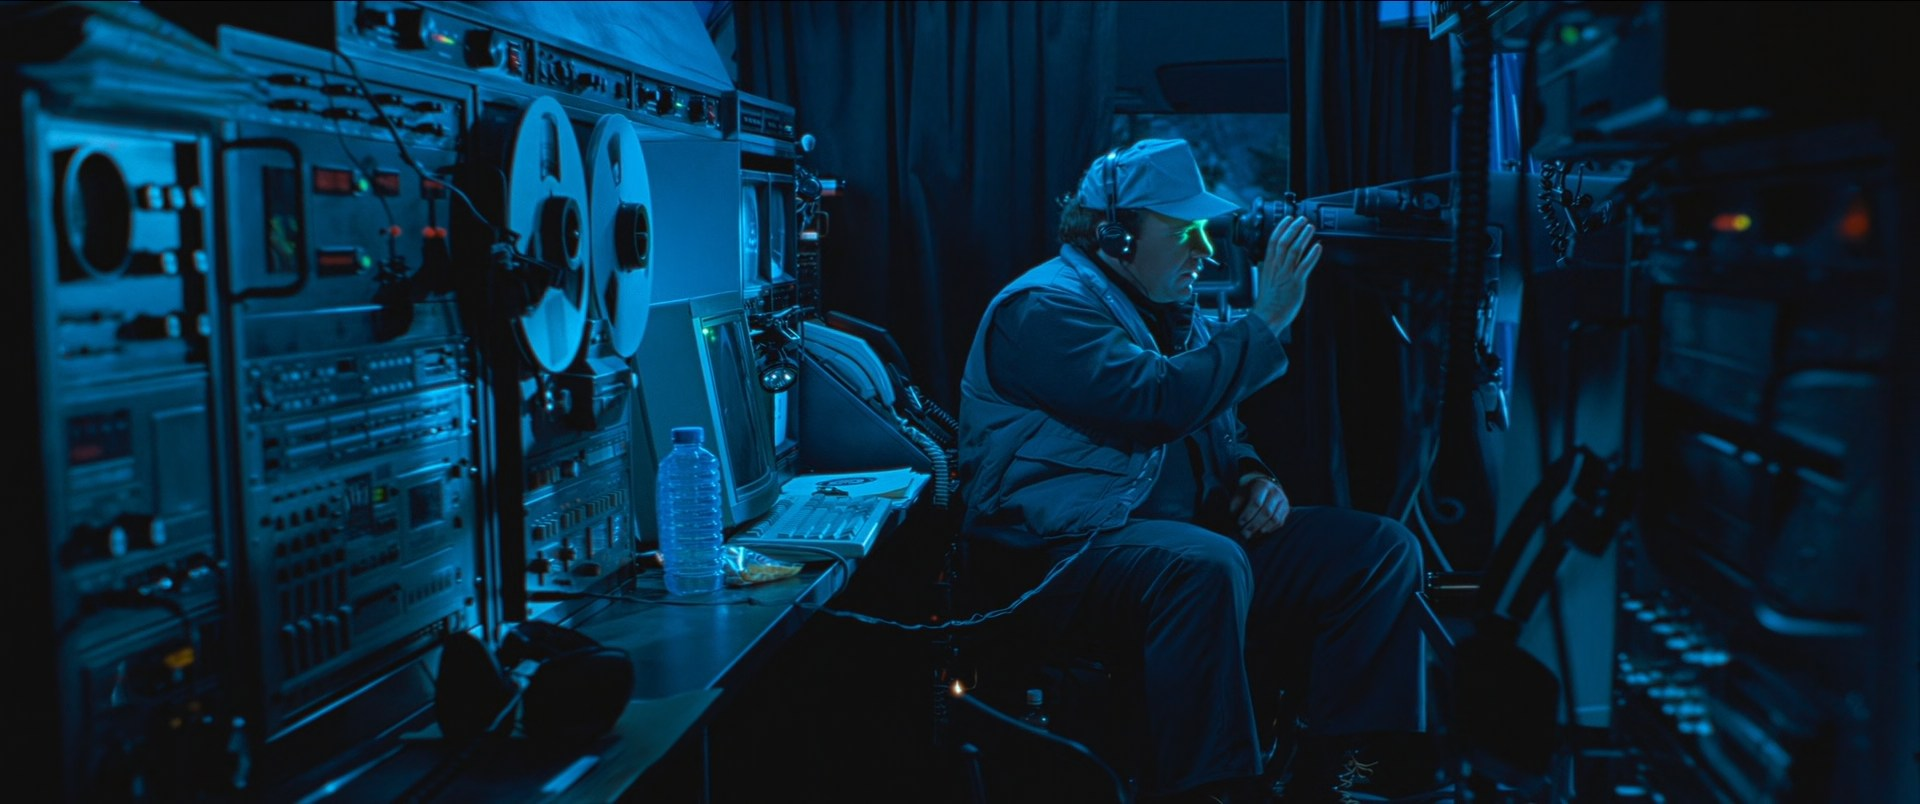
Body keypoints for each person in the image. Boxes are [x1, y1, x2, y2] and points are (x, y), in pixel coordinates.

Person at [957, 139, 1438, 803]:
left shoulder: (1173, 316)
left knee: (1378, 550)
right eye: (1186, 233)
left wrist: (1253, 477)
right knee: (1203, 564)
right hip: (1063, 551)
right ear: (1116, 234)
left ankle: (1338, 774)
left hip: (1179, 537)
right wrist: (1269, 317)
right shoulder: (1043, 308)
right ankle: (1217, 790)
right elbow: (1154, 402)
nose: (1205, 252)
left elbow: (1223, 430)